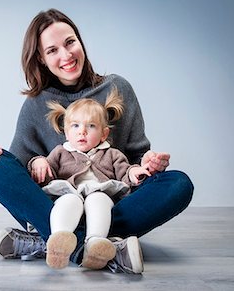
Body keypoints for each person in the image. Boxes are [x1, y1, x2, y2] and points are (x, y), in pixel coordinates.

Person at [0, 8, 193, 274]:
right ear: (40, 57)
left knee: (178, 183)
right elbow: (20, 169)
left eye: (70, 42)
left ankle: (48, 243)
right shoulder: (36, 103)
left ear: (80, 41)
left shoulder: (118, 88)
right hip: (56, 205)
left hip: (108, 203)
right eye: (52, 50)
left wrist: (148, 164)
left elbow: (135, 156)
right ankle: (95, 249)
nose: (66, 55)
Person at [28, 91, 151, 270]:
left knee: (98, 199)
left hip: (99, 192)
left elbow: (125, 173)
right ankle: (59, 239)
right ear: (67, 133)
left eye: (91, 126)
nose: (82, 132)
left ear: (103, 134)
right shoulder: (60, 152)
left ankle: (95, 244)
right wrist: (38, 162)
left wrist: (134, 172)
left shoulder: (112, 154)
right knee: (67, 200)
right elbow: (47, 174)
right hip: (71, 192)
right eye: (75, 126)